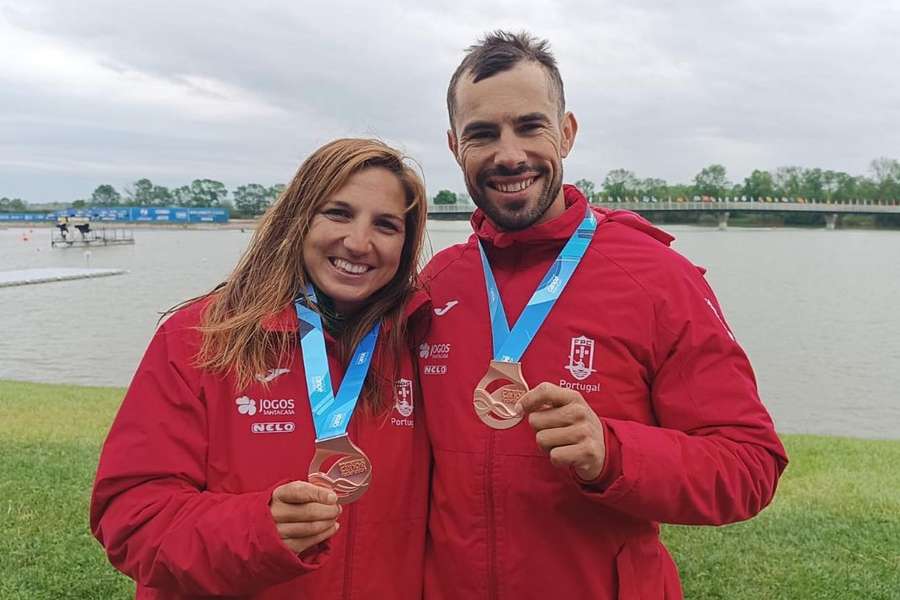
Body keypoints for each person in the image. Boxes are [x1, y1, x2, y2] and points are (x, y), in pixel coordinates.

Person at [417, 31, 788, 599]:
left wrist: (614, 454)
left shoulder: (659, 278)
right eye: (483, 133)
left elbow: (750, 465)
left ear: (566, 133)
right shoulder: (436, 284)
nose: (510, 154)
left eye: (530, 125)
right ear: (454, 146)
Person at [91, 138, 430, 599]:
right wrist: (259, 528)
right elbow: (130, 518)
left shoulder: (420, 343)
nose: (357, 242)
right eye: (338, 213)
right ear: (298, 217)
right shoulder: (200, 338)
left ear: (406, 244)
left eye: (386, 225)